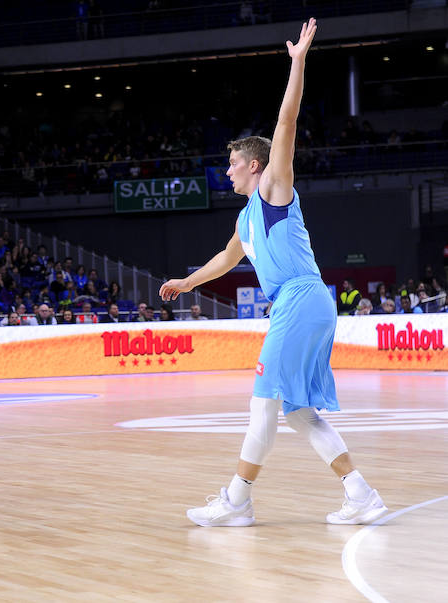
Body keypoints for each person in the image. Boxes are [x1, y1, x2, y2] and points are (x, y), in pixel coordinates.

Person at [159, 19, 386, 527]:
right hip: (302, 304)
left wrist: (299, 61)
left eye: (236, 164)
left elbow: (286, 124)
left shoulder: (274, 190)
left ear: (257, 166)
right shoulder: (245, 219)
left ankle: (237, 502)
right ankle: (360, 493)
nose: (229, 171)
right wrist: (186, 282)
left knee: (264, 404)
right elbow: (226, 258)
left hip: (301, 299)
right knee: (298, 411)